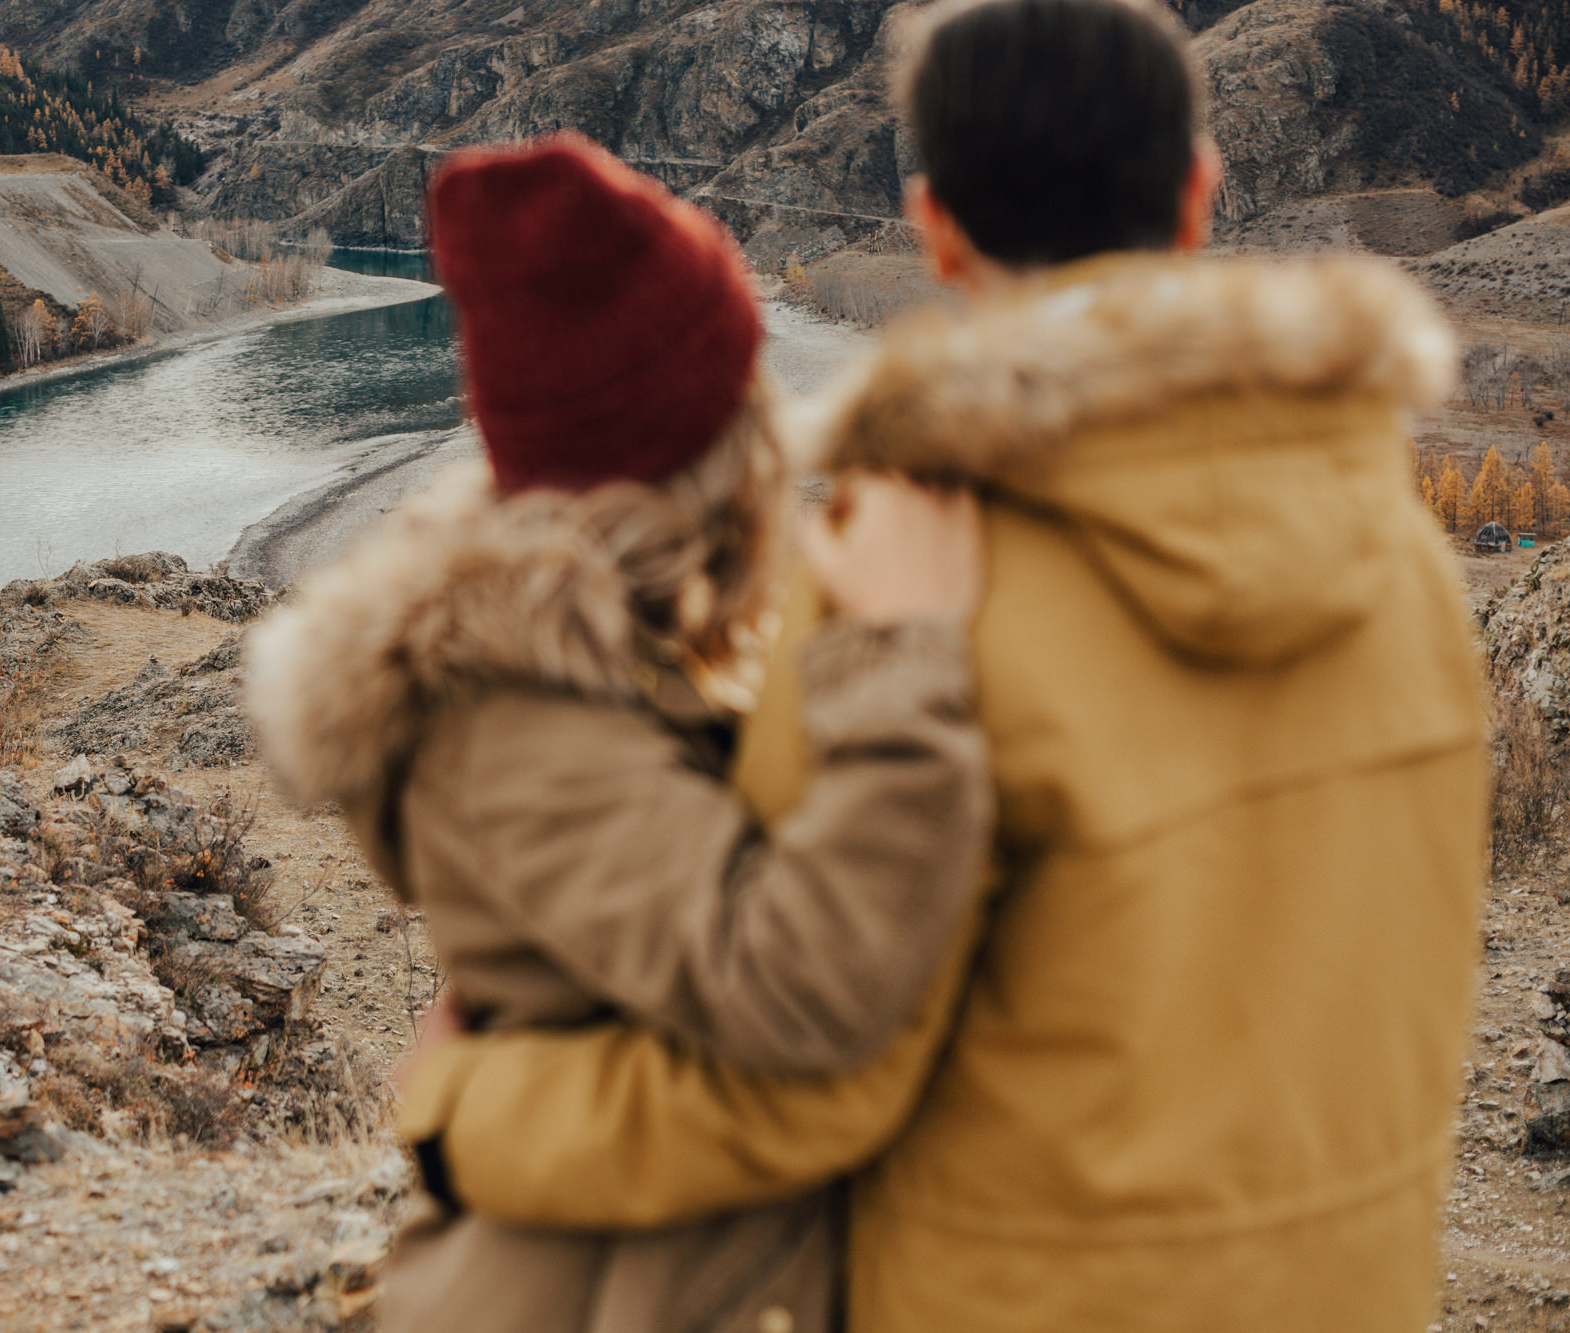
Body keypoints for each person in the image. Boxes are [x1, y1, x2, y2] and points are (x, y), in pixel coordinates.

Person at [393, 2, 1489, 1330]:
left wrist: (474, 1113)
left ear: (935, 229)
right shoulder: (1408, 567)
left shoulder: (899, 588)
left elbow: (804, 1075)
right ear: (1199, 197)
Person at [244, 135, 992, 1333]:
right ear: (700, 453)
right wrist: (898, 651)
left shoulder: (595, 667)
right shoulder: (515, 726)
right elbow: (791, 985)